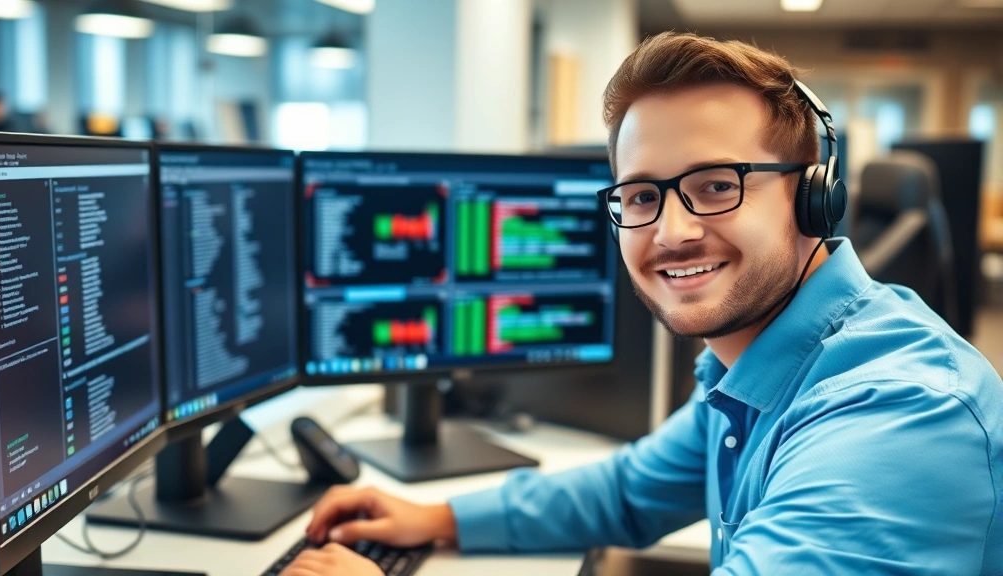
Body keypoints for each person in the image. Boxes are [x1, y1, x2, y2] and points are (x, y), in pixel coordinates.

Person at [280, 32, 1003, 575]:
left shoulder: (898, 412)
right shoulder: (761, 363)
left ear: (813, 197)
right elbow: (629, 491)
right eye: (641, 195)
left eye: (718, 184)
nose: (672, 230)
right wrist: (435, 517)